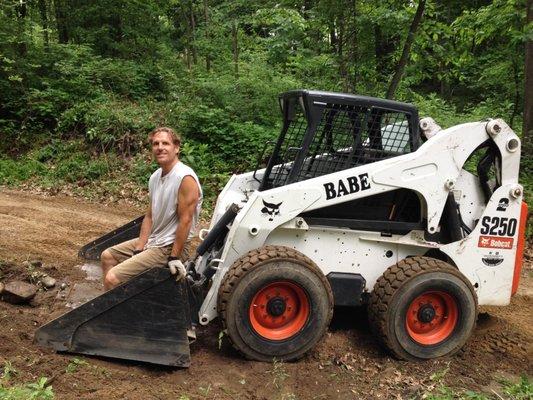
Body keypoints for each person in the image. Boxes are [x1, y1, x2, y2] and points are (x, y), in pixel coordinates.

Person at [100, 127, 202, 290]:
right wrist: (139, 247)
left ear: (176, 148)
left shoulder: (184, 178)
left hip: (170, 246)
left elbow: (186, 220)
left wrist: (174, 257)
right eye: (156, 143)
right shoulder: (155, 177)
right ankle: (115, 301)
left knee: (112, 278)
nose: (160, 147)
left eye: (165, 143)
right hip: (155, 241)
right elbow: (149, 216)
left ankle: (119, 312)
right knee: (107, 256)